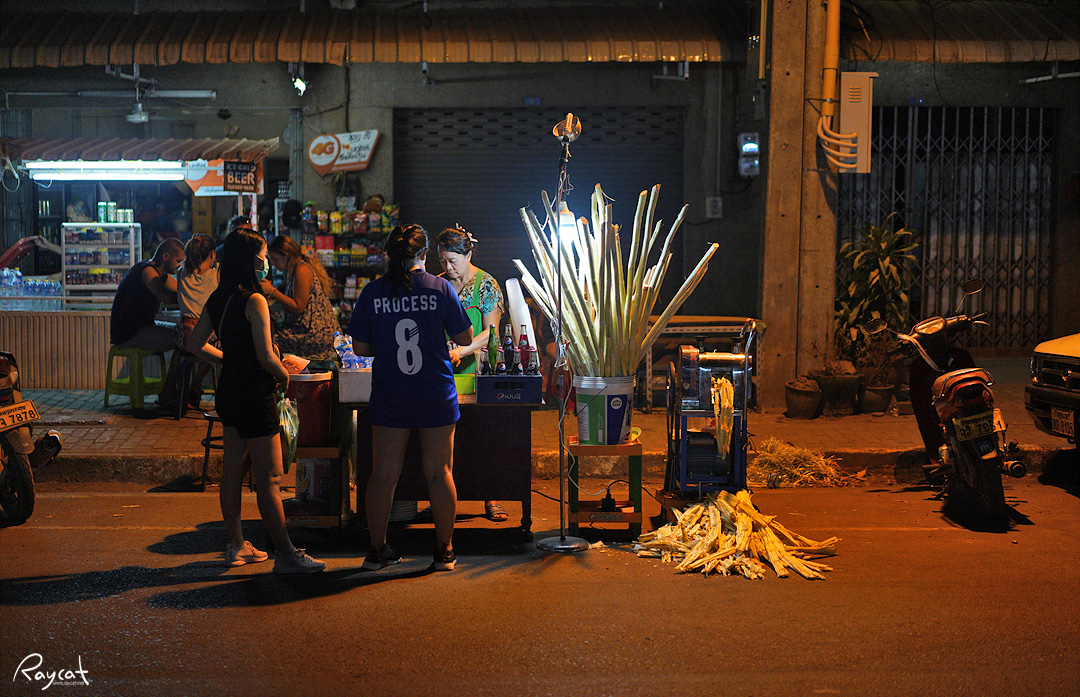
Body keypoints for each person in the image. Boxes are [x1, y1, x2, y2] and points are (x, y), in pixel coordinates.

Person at [186, 228, 326, 575]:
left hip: (230, 392)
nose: (266, 263)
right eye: (263, 257)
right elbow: (266, 356)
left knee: (233, 473)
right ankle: (287, 554)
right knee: (271, 478)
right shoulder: (255, 300)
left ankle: (236, 545)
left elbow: (194, 344)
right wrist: (283, 374)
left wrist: (227, 360)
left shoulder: (218, 298)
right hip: (255, 393)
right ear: (250, 260)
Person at [349, 224, 473, 572]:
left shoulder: (373, 292)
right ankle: (444, 551)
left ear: (389, 256)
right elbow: (465, 337)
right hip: (435, 393)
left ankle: (377, 550)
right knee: (440, 473)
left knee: (383, 475)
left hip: (391, 393)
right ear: (424, 255)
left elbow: (360, 348)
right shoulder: (439, 287)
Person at [435, 226, 510, 523]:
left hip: (478, 373)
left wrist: (462, 351)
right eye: (442, 261)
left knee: (483, 438)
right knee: (446, 444)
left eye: (453, 260)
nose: (448, 267)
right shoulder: (438, 285)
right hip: (444, 375)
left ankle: (491, 497)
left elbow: (492, 333)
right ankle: (445, 500)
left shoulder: (486, 285)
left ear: (468, 255)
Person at [110, 238, 185, 408]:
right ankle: (167, 393)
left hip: (141, 328)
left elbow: (180, 290)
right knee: (184, 339)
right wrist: (190, 298)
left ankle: (172, 391)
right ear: (166, 257)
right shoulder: (147, 271)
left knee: (184, 334)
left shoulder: (160, 273)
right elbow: (166, 297)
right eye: (178, 261)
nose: (179, 265)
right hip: (130, 333)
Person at [260, 234, 338, 361]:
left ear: (286, 255)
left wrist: (273, 292)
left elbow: (298, 306)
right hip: (304, 329)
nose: (273, 264)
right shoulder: (291, 271)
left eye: (275, 259)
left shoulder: (301, 269)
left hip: (315, 332)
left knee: (269, 339)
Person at [175, 234, 219, 409]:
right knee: (217, 348)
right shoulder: (216, 275)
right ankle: (196, 384)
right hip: (204, 336)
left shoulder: (181, 273)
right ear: (212, 254)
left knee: (193, 350)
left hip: (184, 337)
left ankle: (182, 390)